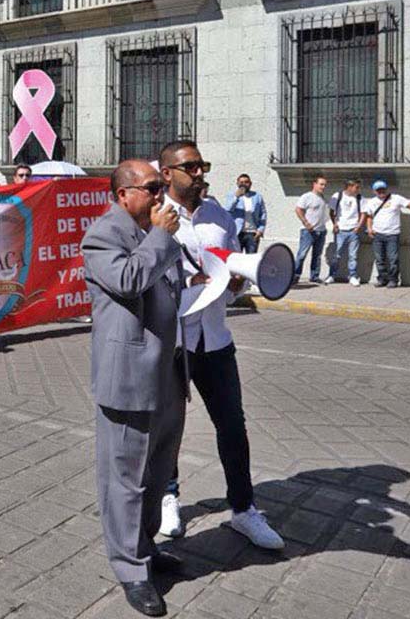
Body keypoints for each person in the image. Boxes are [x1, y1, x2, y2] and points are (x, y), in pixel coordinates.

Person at [156, 141, 284, 555]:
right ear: (166, 172)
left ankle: (243, 508)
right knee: (168, 426)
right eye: (188, 166)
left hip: (215, 340)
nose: (198, 173)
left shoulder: (219, 216)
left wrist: (235, 283)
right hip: (173, 342)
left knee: (232, 425)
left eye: (201, 165)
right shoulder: (155, 218)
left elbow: (233, 271)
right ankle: (167, 495)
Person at [81, 159, 184, 617]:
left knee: (157, 472)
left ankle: (146, 546)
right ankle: (131, 570)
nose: (160, 195)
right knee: (124, 480)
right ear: (123, 194)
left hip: (167, 373)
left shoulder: (153, 233)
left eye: (162, 186)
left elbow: (166, 285)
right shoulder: (103, 235)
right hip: (128, 376)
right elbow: (129, 280)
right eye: (151, 187)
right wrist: (163, 237)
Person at [363, 180, 410, 288]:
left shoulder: (396, 198)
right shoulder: (371, 202)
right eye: (378, 190)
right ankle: (382, 279)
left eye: (383, 189)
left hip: (392, 234)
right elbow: (369, 217)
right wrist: (369, 229)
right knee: (379, 259)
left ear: (387, 189)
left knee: (393, 259)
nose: (381, 192)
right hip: (377, 234)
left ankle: (393, 280)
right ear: (374, 191)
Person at [327, 179, 365, 285]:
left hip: (354, 230)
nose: (358, 189)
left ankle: (352, 276)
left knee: (353, 255)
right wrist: (334, 224)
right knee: (337, 254)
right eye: (356, 187)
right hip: (340, 230)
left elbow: (363, 213)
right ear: (349, 186)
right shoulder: (338, 195)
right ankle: (331, 275)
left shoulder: (359, 198)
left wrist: (358, 226)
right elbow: (331, 211)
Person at [293, 174, 330, 284]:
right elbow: (298, 209)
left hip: (321, 231)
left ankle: (314, 276)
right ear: (314, 184)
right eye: (321, 184)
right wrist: (306, 223)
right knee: (302, 254)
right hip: (308, 231)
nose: (323, 187)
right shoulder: (307, 196)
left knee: (317, 255)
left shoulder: (323, 198)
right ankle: (295, 276)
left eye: (324, 185)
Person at [222, 174, 266, 254]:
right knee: (236, 258)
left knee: (251, 259)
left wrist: (260, 230)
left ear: (250, 184)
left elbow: (263, 214)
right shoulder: (231, 195)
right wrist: (236, 197)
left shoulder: (257, 196)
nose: (243, 184)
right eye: (241, 182)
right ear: (237, 183)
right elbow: (227, 210)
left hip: (252, 234)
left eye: (246, 182)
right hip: (237, 233)